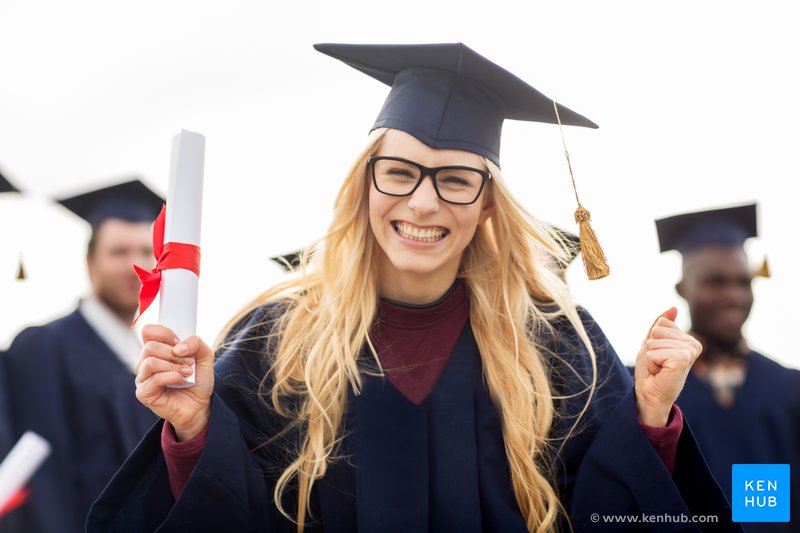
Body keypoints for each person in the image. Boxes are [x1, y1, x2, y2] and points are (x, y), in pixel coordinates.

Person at [88, 43, 739, 532]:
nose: (424, 203)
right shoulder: (277, 339)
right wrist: (196, 428)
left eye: (456, 179)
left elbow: (605, 505)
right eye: (399, 172)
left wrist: (651, 417)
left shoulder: (558, 345)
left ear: (487, 204)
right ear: (365, 182)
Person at [2, 178, 162, 533]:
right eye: (119, 252)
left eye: (145, 251)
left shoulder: (148, 355)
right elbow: (44, 485)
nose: (134, 265)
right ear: (90, 263)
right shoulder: (42, 346)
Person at [657, 203, 800, 532]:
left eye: (742, 282)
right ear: (682, 289)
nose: (733, 295)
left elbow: (770, 508)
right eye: (715, 282)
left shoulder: (787, 388)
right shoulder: (647, 391)